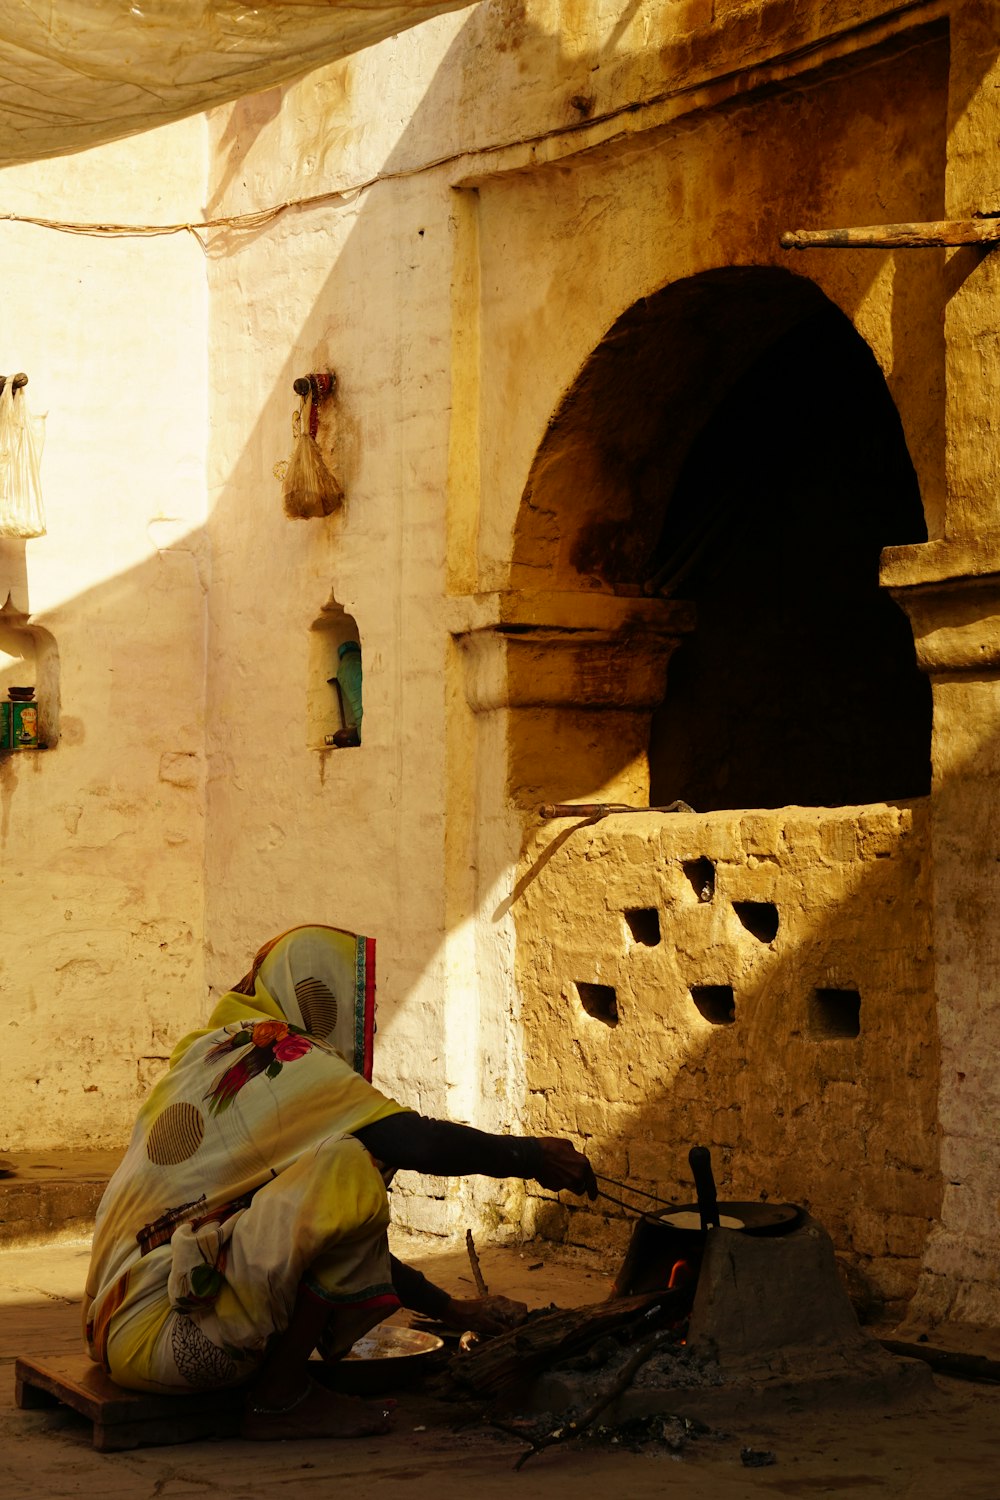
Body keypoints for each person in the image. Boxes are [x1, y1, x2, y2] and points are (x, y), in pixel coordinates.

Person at [83, 924, 596, 1441]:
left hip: (117, 1339)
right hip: (180, 1352)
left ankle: (280, 1387)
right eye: (360, 1012)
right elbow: (415, 1145)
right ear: (319, 998)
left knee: (340, 1185)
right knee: (352, 1168)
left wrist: (453, 1309)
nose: (364, 1026)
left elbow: (321, 1240)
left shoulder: (211, 1054)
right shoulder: (283, 1056)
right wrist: (531, 1156)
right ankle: (280, 1400)